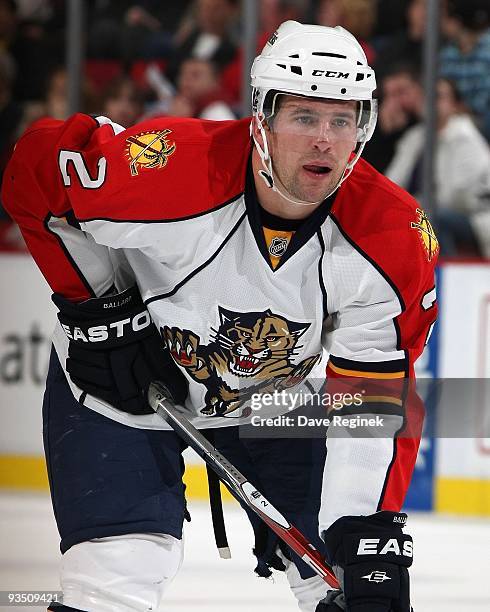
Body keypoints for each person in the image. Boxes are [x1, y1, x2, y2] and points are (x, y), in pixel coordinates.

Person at [2, 21, 437, 612]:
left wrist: (365, 532)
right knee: (118, 572)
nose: (325, 141)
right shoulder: (174, 169)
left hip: (275, 399)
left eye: (342, 119)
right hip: (124, 388)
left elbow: (373, 391)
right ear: (261, 118)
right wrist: (97, 309)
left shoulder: (393, 235)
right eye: (304, 117)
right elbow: (36, 170)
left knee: (343, 580)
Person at [386, 77, 490, 257]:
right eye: (427, 96)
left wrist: (413, 206)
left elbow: (457, 198)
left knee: (433, 217)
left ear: (454, 105)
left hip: (472, 219)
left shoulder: (465, 137)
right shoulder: (415, 137)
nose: (431, 102)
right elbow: (391, 183)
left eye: (439, 96)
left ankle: (439, 272)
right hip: (417, 210)